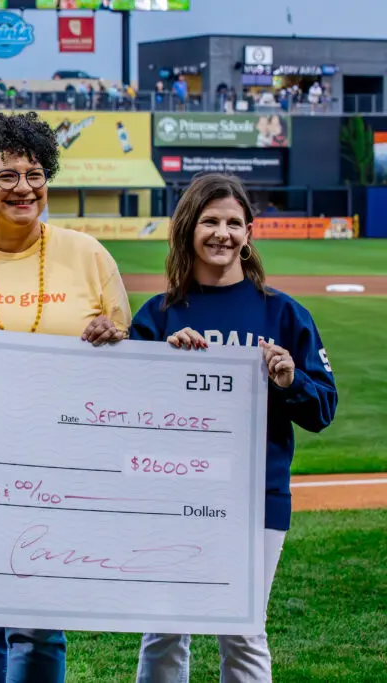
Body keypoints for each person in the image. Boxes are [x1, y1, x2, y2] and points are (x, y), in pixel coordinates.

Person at [0, 110, 132, 683]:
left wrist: (113, 338)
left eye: (35, 173)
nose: (24, 187)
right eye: (7, 175)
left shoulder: (89, 254)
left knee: (41, 622)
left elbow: (127, 357)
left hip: (60, 461)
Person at [129, 173, 338, 683]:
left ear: (249, 233)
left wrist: (289, 380)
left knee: (243, 630)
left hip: (256, 497)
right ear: (187, 230)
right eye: (209, 221)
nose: (221, 233)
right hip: (172, 494)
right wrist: (160, 364)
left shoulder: (285, 314)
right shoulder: (158, 317)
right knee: (164, 629)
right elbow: (125, 413)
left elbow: (322, 411)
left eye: (233, 223)